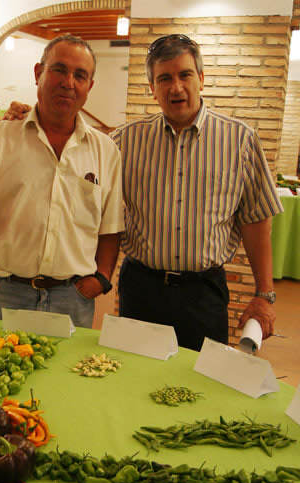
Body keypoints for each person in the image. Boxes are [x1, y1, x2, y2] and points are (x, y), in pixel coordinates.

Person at [111, 34, 283, 351]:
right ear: (152, 88)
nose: (176, 87)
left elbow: (256, 220)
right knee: (133, 379)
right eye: (164, 78)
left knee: (199, 384)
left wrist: (264, 294)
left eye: (185, 75)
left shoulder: (240, 140)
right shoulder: (124, 141)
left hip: (203, 293)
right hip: (141, 289)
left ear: (201, 79)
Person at [0, 35, 125, 328]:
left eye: (80, 75)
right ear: (38, 73)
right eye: (59, 69)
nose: (68, 82)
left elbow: (110, 226)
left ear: (89, 87)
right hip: (3, 295)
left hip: (72, 299)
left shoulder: (105, 151)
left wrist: (102, 278)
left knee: (63, 375)